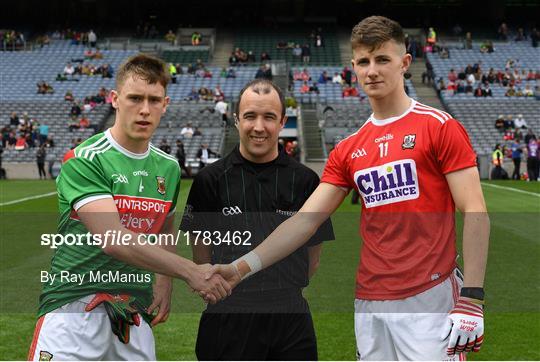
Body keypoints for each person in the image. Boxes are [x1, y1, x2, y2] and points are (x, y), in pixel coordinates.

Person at [207, 16, 490, 361]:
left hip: (429, 298)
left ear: (404, 63)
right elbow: (304, 222)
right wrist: (239, 269)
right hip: (369, 300)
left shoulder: (439, 127)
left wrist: (472, 296)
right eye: (364, 62)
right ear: (353, 67)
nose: (372, 70)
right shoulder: (349, 148)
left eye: (382, 59)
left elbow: (474, 209)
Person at [28, 54, 231, 361]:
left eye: (154, 100)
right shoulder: (86, 158)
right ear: (115, 99)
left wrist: (164, 282)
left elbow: (163, 227)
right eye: (135, 98)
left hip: (132, 311)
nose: (145, 109)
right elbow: (113, 239)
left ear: (166, 105)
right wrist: (190, 271)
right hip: (73, 309)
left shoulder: (169, 168)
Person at [180, 79, 334, 360]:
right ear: (237, 120)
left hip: (290, 318)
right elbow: (202, 259)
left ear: (283, 121)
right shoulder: (209, 181)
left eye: (269, 117)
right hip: (228, 317)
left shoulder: (306, 181)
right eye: (250, 116)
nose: (259, 127)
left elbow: (313, 262)